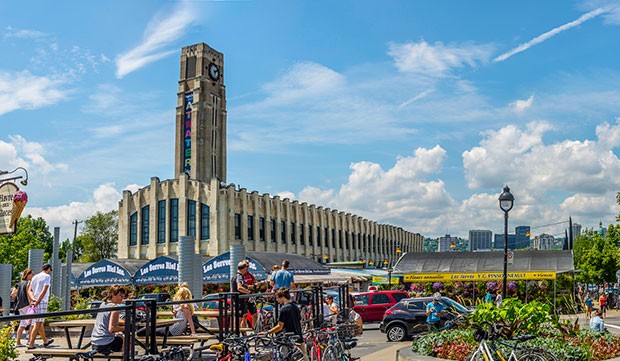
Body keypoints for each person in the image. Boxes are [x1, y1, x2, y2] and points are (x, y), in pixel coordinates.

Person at [266, 288, 309, 361]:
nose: (277, 300)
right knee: (304, 357)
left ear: (282, 297)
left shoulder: (284, 309)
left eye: (277, 298)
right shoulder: (295, 307)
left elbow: (279, 326)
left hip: (287, 340)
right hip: (298, 337)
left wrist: (268, 332)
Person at [91, 285, 128, 354]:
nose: (122, 298)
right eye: (121, 296)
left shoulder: (103, 304)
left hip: (94, 342)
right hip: (105, 344)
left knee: (119, 336)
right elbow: (112, 329)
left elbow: (108, 318)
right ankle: (125, 356)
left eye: (123, 296)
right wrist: (126, 327)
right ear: (113, 294)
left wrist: (124, 322)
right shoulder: (115, 308)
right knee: (126, 338)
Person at [27, 264, 53, 349]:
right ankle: (31, 344)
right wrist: (38, 301)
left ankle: (45, 341)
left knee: (39, 322)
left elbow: (29, 290)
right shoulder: (47, 276)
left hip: (35, 300)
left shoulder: (35, 277)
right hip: (42, 301)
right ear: (48, 269)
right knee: (37, 323)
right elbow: (44, 290)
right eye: (50, 270)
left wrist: (33, 299)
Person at [13, 268, 34, 347]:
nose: (33, 275)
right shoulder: (29, 283)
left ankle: (18, 342)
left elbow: (16, 294)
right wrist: (31, 303)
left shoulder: (20, 283)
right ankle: (29, 341)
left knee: (22, 324)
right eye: (32, 274)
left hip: (20, 306)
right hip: (27, 305)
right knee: (33, 323)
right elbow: (29, 294)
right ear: (28, 275)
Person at [231, 261, 255, 328]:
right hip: (238, 299)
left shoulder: (235, 276)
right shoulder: (239, 276)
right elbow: (239, 288)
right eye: (246, 268)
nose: (247, 270)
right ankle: (236, 333)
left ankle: (240, 332)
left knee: (242, 316)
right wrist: (248, 292)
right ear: (243, 268)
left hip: (238, 299)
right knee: (239, 317)